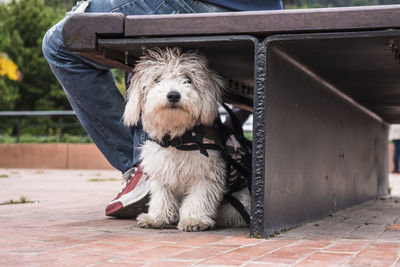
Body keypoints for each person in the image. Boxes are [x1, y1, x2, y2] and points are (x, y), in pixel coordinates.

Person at [42, 0, 283, 218]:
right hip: (262, 9)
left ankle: (140, 167)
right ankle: (154, 166)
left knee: (59, 44)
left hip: (212, 6)